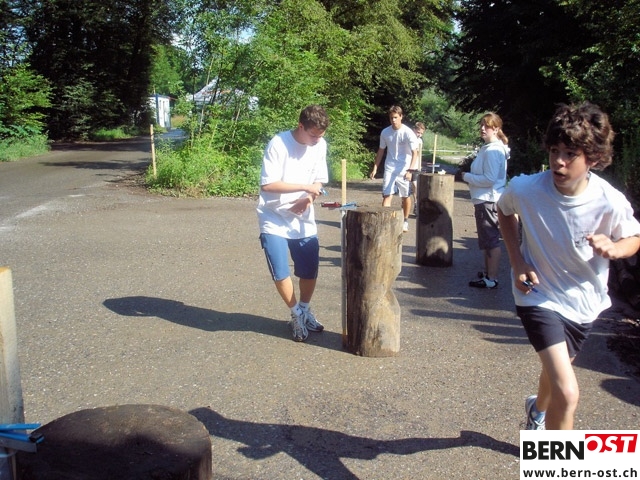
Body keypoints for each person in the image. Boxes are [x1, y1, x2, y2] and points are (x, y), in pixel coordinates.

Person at [497, 102, 640, 430]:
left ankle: (536, 410)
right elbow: (504, 211)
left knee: (554, 376)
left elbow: (634, 237)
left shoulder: (609, 200)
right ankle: (553, 458)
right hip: (537, 295)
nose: (558, 161)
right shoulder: (526, 189)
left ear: (593, 158)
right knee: (568, 391)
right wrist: (518, 262)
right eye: (554, 151)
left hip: (584, 303)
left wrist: (616, 248)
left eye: (570, 154)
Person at [257, 105, 330, 342]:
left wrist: (308, 198)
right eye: (313, 135)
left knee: (309, 269)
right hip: (273, 217)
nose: (317, 140)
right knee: (280, 271)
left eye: (321, 136)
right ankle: (295, 313)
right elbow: (268, 185)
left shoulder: (320, 145)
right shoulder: (278, 144)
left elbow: (319, 182)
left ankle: (305, 309)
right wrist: (304, 187)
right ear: (301, 126)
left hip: (303, 216)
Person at [462, 113, 509, 289]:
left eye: (487, 126)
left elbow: (489, 179)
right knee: (487, 240)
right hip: (485, 200)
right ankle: (488, 273)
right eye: (482, 125)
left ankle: (491, 278)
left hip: (488, 200)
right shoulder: (489, 148)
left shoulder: (493, 150)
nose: (483, 128)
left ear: (496, 129)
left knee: (491, 240)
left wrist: (466, 176)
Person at [369, 105, 421, 232]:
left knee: (405, 196)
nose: (393, 120)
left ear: (401, 117)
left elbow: (415, 153)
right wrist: (375, 168)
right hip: (390, 167)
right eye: (391, 118)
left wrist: (410, 171)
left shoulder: (408, 132)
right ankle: (384, 222)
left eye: (396, 117)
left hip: (404, 167)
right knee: (387, 195)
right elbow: (381, 151)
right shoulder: (385, 132)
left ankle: (405, 221)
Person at [411, 122, 426, 216]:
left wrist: (419, 165)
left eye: (421, 133)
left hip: (416, 166)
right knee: (407, 187)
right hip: (407, 165)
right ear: (414, 130)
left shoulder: (420, 141)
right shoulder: (410, 138)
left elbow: (419, 154)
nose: (419, 135)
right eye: (418, 132)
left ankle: (416, 203)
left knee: (415, 185)